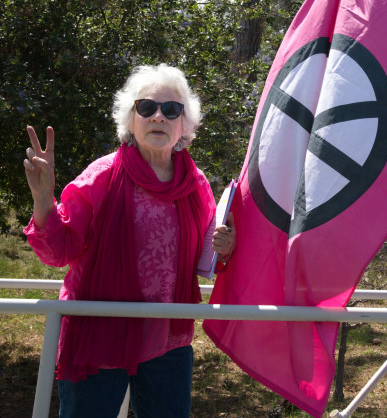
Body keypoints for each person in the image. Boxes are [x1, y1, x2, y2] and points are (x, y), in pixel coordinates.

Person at [23, 64, 236, 418]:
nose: (158, 117)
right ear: (130, 119)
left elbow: (208, 256)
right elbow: (57, 252)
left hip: (167, 337)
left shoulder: (196, 184)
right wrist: (43, 198)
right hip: (99, 332)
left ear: (184, 124)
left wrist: (224, 248)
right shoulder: (102, 175)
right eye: (146, 107)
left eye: (171, 110)